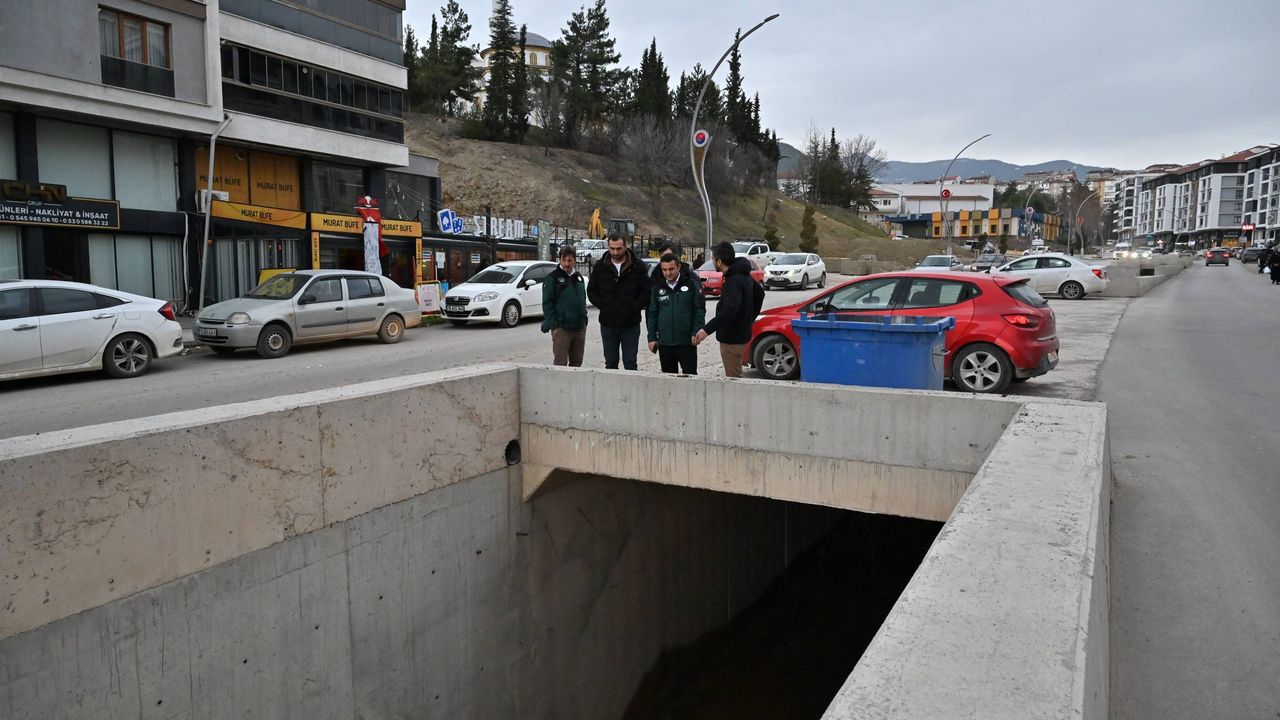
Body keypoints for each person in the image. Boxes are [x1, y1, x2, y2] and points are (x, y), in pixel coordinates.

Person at [692, 241, 765, 378]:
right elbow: (760, 294)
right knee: (736, 374)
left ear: (719, 262)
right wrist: (748, 319)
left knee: (734, 378)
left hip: (733, 338)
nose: (712, 261)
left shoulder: (734, 280)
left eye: (713, 259)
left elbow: (729, 311)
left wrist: (706, 330)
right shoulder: (742, 273)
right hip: (740, 334)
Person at [587, 233, 650, 370]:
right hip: (608, 323)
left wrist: (634, 307)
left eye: (619, 249)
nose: (615, 252)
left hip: (630, 323)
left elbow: (646, 291)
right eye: (612, 249)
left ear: (625, 247)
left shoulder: (637, 266)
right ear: (608, 247)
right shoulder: (600, 266)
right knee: (610, 363)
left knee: (630, 363)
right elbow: (591, 291)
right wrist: (604, 305)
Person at [647, 253, 706, 374]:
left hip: (687, 342)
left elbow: (699, 310)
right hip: (665, 343)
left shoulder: (691, 285)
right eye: (664, 270)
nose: (668, 273)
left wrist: (696, 331)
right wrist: (651, 337)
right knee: (669, 379)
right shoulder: (657, 288)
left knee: (690, 377)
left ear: (678, 267)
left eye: (671, 269)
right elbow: (652, 314)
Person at [541, 245, 588, 366]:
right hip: (562, 329)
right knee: (560, 364)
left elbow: (582, 299)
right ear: (560, 260)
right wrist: (554, 326)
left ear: (575, 260)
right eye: (564, 260)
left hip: (579, 328)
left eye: (570, 260)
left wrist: (584, 319)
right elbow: (547, 304)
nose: (567, 264)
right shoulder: (552, 278)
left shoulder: (579, 278)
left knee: (577, 363)